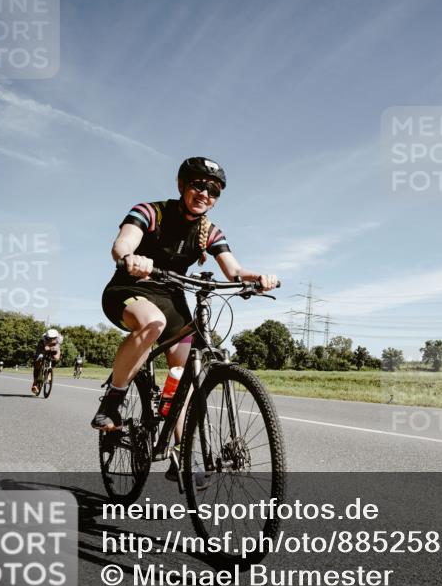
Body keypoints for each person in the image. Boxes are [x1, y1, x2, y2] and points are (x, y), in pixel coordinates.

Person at [92, 157, 278, 476]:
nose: (205, 193)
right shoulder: (151, 212)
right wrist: (129, 257)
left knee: (185, 370)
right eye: (198, 185)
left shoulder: (210, 232)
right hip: (129, 288)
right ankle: (113, 400)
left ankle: (179, 451)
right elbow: (122, 242)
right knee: (153, 323)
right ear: (181, 185)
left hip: (172, 297)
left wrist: (256, 277)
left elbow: (233, 270)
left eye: (214, 190)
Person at [32, 329, 64, 395]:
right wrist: (45, 350)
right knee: (38, 361)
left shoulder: (60, 338)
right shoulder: (43, 337)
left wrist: (53, 351)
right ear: (47, 337)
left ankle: (50, 371)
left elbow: (57, 347)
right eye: (50, 338)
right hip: (42, 346)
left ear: (56, 337)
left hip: (54, 347)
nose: (51, 339)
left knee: (56, 357)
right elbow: (45, 347)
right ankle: (35, 383)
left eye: (53, 338)